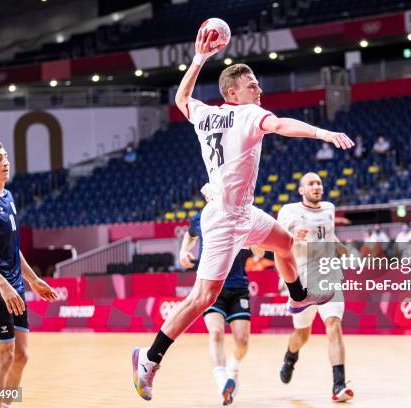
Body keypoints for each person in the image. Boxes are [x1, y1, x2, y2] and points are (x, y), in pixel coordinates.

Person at [132, 27, 354, 402]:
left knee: (283, 244)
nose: (259, 90)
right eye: (252, 85)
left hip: (244, 213)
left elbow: (181, 97)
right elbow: (283, 126)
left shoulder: (204, 114)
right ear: (233, 92)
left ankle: (298, 297)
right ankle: (148, 360)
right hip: (222, 219)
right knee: (202, 298)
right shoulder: (249, 114)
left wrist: (199, 56)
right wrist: (323, 133)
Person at [0, 141, 58, 408]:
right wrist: (3, 285)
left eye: (5, 157)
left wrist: (32, 279)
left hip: (13, 287)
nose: (5, 162)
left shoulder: (8, 197)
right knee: (3, 355)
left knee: (21, 356)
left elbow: (11, 249)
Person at [277, 172, 354, 402]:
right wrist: (294, 235)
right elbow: (279, 239)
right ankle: (290, 357)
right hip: (303, 283)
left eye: (319, 182)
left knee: (334, 325)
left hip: (329, 277)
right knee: (302, 334)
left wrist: (339, 247)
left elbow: (328, 236)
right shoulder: (289, 211)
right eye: (311, 183)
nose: (316, 186)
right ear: (301, 190)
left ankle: (338, 385)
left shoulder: (329, 208)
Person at [179, 210, 260, 405]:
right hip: (211, 287)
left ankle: (233, 369)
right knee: (216, 333)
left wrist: (251, 239)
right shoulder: (201, 217)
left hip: (238, 287)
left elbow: (260, 253)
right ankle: (222, 382)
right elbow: (190, 234)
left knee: (242, 342)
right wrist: (183, 251)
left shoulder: (246, 215)